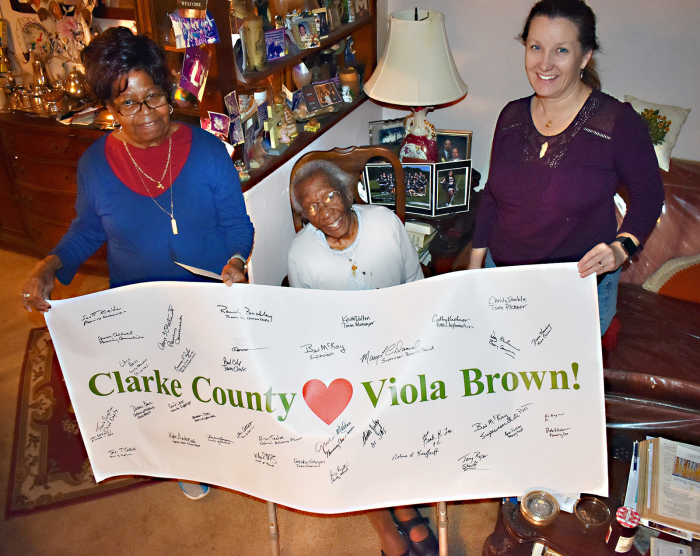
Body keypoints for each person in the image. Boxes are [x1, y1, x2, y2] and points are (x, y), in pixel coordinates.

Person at [20, 27, 255, 498]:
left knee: (213, 386)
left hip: (205, 299)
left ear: (169, 95)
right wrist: (49, 264)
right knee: (159, 389)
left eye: (154, 98)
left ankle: (221, 448)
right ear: (110, 106)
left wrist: (235, 261)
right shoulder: (94, 165)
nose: (145, 114)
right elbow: (87, 229)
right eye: (128, 103)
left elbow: (237, 224)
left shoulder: (209, 153)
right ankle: (185, 456)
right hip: (138, 305)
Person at [468, 0, 664, 335]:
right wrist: (474, 268)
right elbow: (493, 196)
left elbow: (649, 195)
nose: (544, 63)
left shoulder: (616, 122)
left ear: (585, 56)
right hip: (503, 285)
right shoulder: (510, 116)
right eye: (535, 47)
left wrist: (621, 247)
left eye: (561, 50)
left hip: (576, 294)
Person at [287, 160, 435, 556]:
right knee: (351, 437)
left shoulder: (385, 224)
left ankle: (404, 505)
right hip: (341, 360)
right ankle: (386, 525)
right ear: (305, 217)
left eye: (330, 196)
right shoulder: (301, 253)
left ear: (347, 193)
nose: (325, 211)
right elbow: (308, 324)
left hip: (394, 344)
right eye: (311, 208)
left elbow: (413, 283)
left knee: (398, 426)